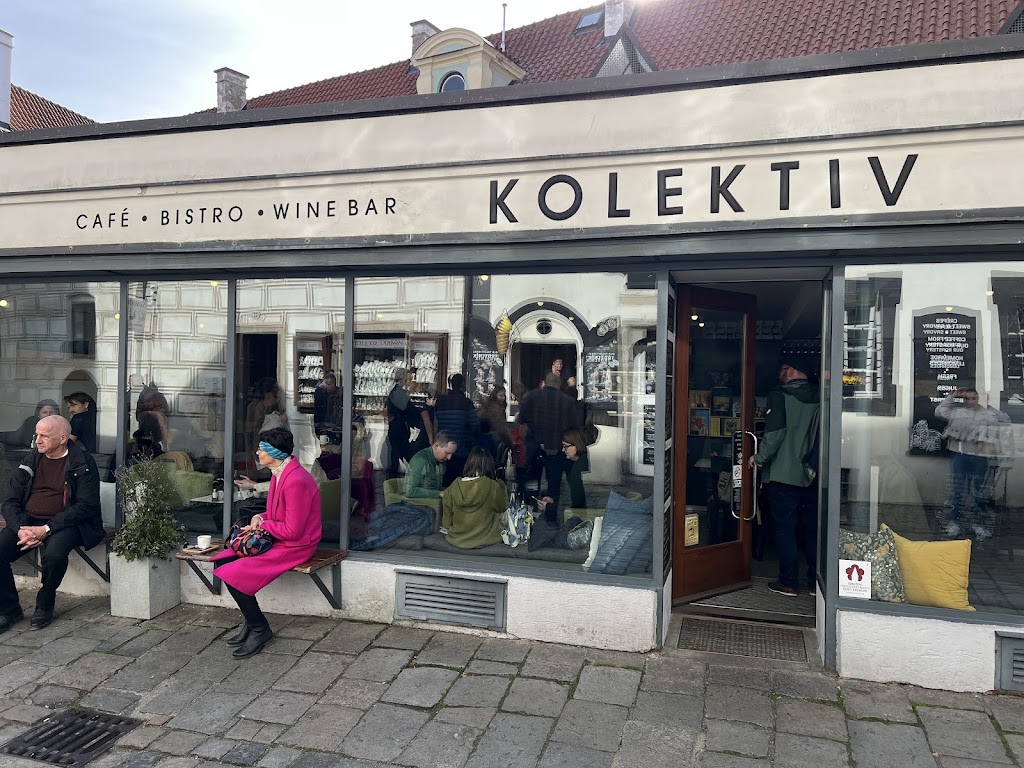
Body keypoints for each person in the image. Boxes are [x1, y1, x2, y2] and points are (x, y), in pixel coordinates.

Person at [211, 427, 321, 658]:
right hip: (283, 540)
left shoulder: (295, 480)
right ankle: (252, 623)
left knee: (233, 573)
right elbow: (279, 514)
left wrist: (264, 525)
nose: (257, 453)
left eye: (261, 449)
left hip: (297, 545)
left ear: (275, 453)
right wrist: (261, 517)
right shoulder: (281, 473)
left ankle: (260, 630)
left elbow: (293, 531)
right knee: (222, 563)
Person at [0, 415, 102, 632]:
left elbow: (86, 506)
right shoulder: (31, 459)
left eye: (44, 436)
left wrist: (46, 529)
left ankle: (45, 603)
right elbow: (9, 501)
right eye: (37, 434)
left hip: (67, 523)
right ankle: (9, 609)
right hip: (28, 522)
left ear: (63, 438)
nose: (38, 440)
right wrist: (20, 529)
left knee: (54, 554)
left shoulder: (82, 462)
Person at [748, 358, 820, 597]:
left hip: (783, 473)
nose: (779, 374)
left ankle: (788, 582)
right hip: (814, 474)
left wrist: (759, 457)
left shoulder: (780, 396)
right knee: (813, 529)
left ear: (791, 371)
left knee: (785, 529)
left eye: (782, 370)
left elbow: (775, 433)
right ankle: (815, 583)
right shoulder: (823, 396)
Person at [935, 387, 1014, 540]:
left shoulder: (992, 414)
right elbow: (939, 412)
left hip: (981, 456)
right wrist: (952, 397)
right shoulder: (958, 412)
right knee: (957, 490)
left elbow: (1006, 426)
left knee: (980, 491)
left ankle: (978, 524)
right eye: (967, 398)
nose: (970, 401)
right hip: (961, 454)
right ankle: (954, 522)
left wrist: (1006, 458)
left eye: (974, 398)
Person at [517, 372, 582, 523]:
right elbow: (574, 425)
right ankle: (551, 515)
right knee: (554, 484)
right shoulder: (567, 401)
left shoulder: (531, 396)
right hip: (557, 447)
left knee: (532, 480)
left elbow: (522, 418)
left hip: (535, 446)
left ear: (545, 383)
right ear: (559, 385)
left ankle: (529, 512)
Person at [441, 447, 507, 549]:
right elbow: (502, 507)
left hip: (457, 539)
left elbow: (446, 522)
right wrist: (501, 484)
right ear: (490, 466)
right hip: (486, 539)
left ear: (469, 464)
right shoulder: (493, 486)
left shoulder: (453, 487)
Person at [434, 373, 480, 485]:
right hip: (461, 448)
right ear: (463, 385)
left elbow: (435, 422)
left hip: (443, 446)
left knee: (444, 481)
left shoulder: (440, 402)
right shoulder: (466, 403)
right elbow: (475, 426)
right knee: (459, 482)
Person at [537, 428, 589, 522]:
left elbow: (576, 507)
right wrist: (552, 501)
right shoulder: (574, 465)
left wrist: (550, 508)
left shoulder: (578, 471)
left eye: (565, 446)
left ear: (577, 445)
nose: (563, 450)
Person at [406, 431, 456, 501]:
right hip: (418, 504)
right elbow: (410, 491)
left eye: (451, 454)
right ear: (436, 446)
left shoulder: (441, 461)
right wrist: (439, 493)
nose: (449, 458)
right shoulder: (421, 460)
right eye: (447, 453)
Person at [386, 368, 417, 479]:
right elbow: (407, 408)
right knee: (403, 453)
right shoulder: (398, 393)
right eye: (408, 379)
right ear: (403, 379)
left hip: (396, 428)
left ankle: (392, 478)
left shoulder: (395, 391)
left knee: (397, 454)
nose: (409, 381)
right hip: (399, 429)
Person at [478, 385, 511, 463]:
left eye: (504, 396)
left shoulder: (488, 407)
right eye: (501, 396)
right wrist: (511, 443)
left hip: (486, 441)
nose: (503, 398)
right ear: (495, 396)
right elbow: (501, 428)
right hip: (493, 441)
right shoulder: (496, 410)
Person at [313, 372, 343, 441]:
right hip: (322, 425)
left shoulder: (341, 394)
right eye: (325, 384)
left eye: (329, 384)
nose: (327, 387)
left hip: (336, 426)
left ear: (335, 384)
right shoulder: (321, 392)